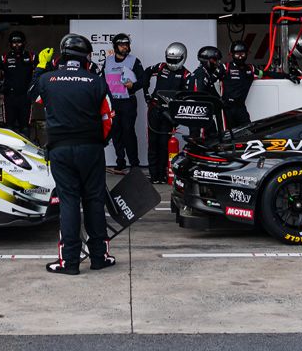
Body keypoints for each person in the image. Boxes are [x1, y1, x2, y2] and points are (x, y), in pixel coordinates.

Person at [34, 33, 114, 275]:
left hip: (60, 149)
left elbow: (33, 97)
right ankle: (99, 257)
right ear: (86, 58)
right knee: (94, 201)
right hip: (91, 149)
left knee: (69, 202)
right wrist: (100, 142)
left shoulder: (47, 79)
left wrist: (40, 68)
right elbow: (109, 118)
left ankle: (69, 262)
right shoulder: (96, 81)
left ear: (62, 55)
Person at [144, 42, 193, 184]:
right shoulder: (160, 67)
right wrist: (146, 93)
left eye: (175, 60)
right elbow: (146, 73)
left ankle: (164, 174)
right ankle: (154, 176)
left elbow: (187, 98)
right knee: (152, 143)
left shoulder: (186, 75)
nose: (171, 63)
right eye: (169, 59)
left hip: (169, 114)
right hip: (154, 109)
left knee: (164, 144)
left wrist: (177, 115)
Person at [101, 32, 147, 174]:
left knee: (128, 131)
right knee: (115, 132)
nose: (125, 47)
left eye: (126, 44)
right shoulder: (107, 61)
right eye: (121, 45)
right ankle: (120, 163)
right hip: (113, 102)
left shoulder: (134, 61)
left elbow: (144, 80)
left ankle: (134, 164)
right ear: (115, 46)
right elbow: (102, 81)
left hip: (128, 102)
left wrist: (133, 86)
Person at [0, 30, 35, 137]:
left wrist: (35, 87)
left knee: (25, 127)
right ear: (10, 44)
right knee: (8, 127)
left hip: (25, 98)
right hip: (9, 98)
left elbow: (43, 70)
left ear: (24, 43)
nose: (16, 45)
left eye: (19, 42)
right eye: (14, 43)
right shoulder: (5, 58)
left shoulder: (31, 57)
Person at [222, 41, 257, 130]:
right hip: (227, 108)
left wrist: (286, 75)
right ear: (232, 55)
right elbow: (208, 79)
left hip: (241, 107)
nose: (240, 57)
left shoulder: (250, 68)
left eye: (242, 54)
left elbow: (265, 73)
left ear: (247, 54)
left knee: (248, 131)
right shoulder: (225, 67)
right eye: (237, 54)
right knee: (228, 134)